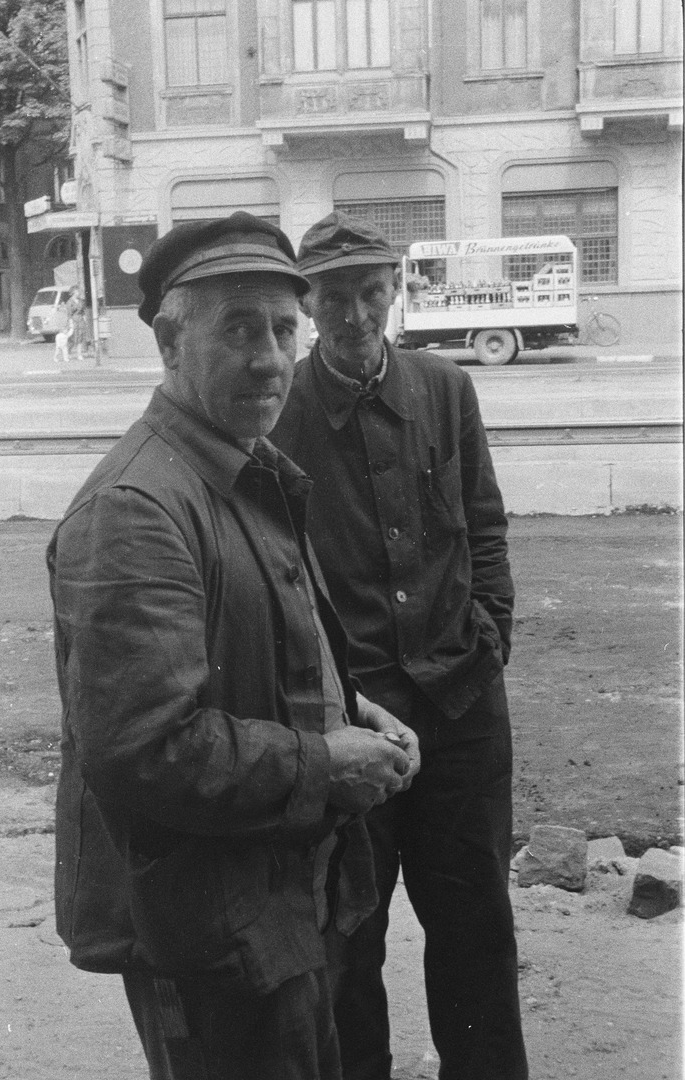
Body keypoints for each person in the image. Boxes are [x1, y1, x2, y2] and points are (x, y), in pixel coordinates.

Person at [47, 212, 420, 1080]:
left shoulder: (236, 467)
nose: (272, 358)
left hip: (275, 907)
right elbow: (145, 747)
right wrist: (327, 763)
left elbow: (260, 649)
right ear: (171, 343)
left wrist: (349, 705)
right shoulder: (138, 510)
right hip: (208, 932)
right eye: (240, 330)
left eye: (285, 329)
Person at [271, 211, 529, 1080]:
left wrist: (490, 626)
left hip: (462, 704)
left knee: (476, 928)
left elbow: (484, 523)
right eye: (333, 296)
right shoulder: (281, 414)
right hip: (354, 721)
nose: (353, 314)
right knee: (348, 937)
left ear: (395, 290)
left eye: (369, 291)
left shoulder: (446, 388)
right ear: (309, 304)